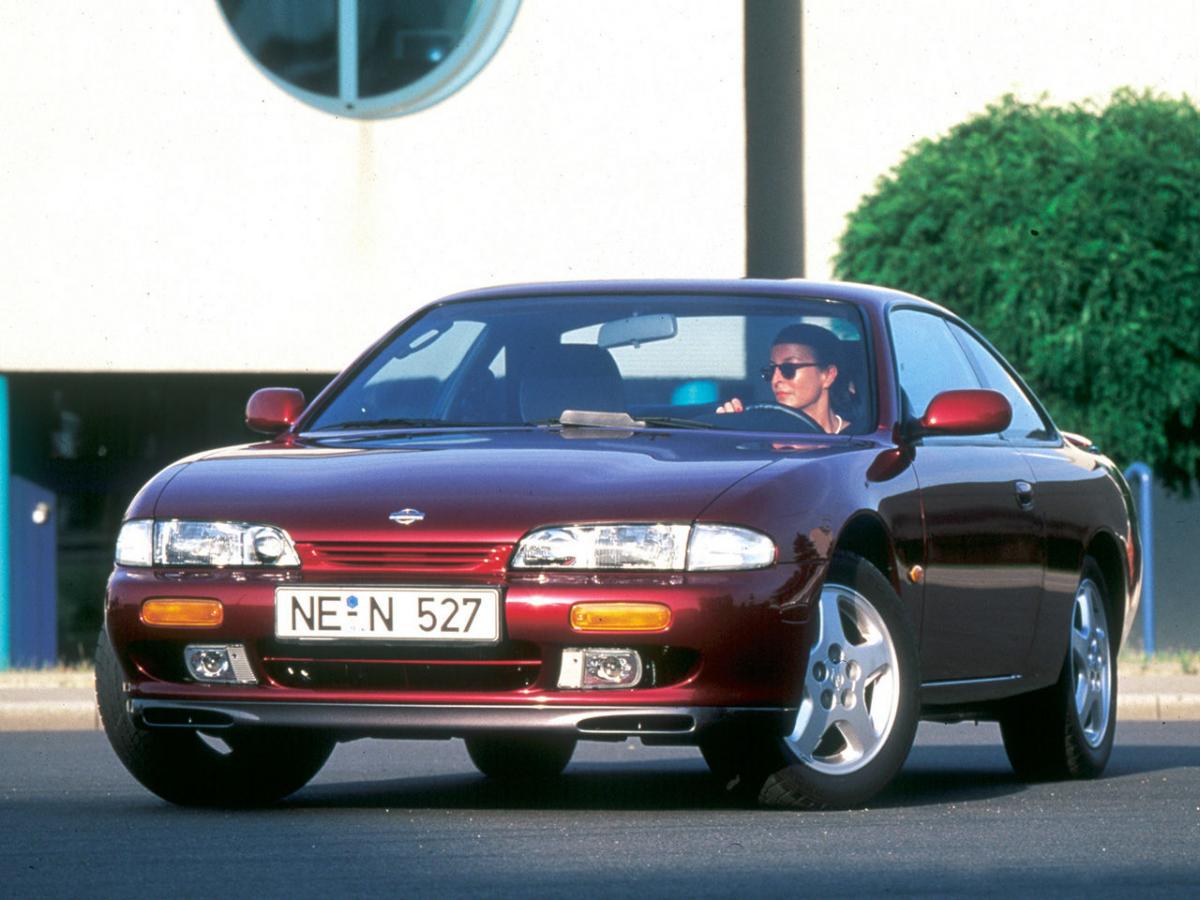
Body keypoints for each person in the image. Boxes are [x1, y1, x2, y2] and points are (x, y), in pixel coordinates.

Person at [716, 323, 850, 433]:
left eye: (788, 368)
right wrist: (729, 427)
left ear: (828, 375)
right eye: (771, 370)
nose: (775, 380)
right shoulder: (761, 433)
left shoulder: (857, 440)